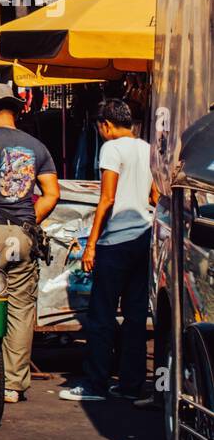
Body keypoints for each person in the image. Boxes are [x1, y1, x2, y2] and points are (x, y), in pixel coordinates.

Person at [60, 99, 158, 403]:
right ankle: (131, 385)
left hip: (116, 242)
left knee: (101, 315)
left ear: (105, 125)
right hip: (145, 235)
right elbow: (155, 195)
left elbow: (107, 199)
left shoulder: (111, 148)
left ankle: (96, 384)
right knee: (135, 315)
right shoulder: (147, 148)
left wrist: (91, 245)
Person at [0, 83, 60, 405]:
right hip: (21, 235)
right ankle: (12, 385)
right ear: (17, 111)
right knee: (20, 310)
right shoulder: (37, 146)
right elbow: (52, 193)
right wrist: (27, 222)